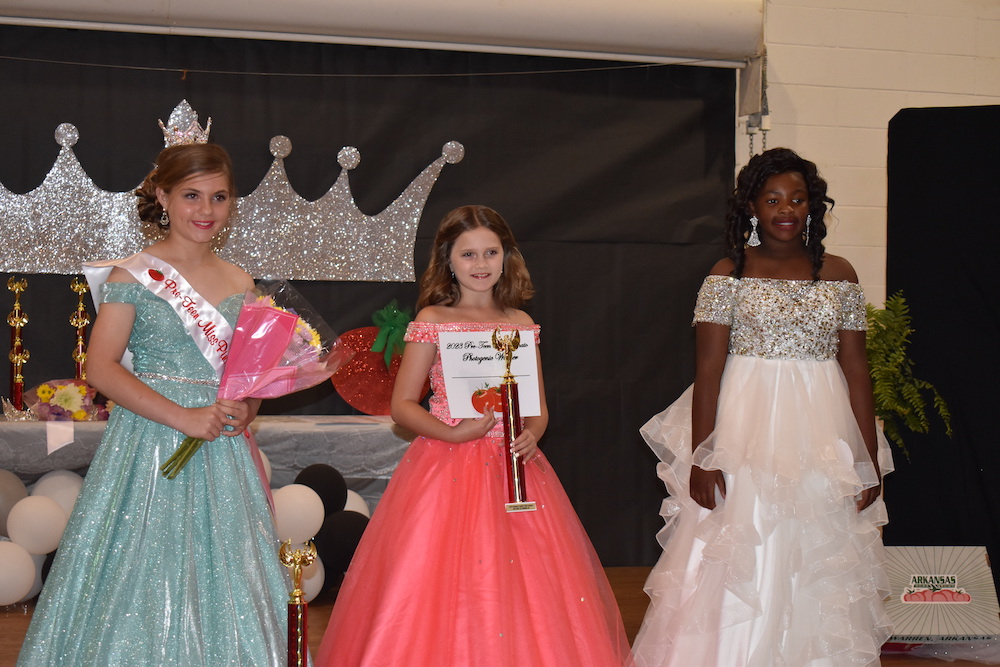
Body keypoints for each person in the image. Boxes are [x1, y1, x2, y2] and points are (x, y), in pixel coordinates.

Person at [315, 205, 634, 666]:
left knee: (528, 585)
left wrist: (534, 434)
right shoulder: (434, 317)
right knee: (443, 580)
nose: (481, 264)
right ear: (447, 260)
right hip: (445, 466)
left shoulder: (520, 323)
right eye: (468, 254)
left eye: (491, 252)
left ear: (507, 256)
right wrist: (453, 432)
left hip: (517, 472)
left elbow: (537, 407)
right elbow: (403, 407)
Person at [17, 139, 289, 665]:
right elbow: (100, 367)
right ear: (162, 196)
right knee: (140, 566)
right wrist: (183, 416)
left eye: (219, 197)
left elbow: (248, 375)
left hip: (221, 446)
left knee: (223, 571)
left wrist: (246, 407)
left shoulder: (241, 281)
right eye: (191, 195)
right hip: (149, 443)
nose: (205, 210)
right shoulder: (132, 274)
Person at [632, 148, 894, 666]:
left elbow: (857, 373)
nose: (786, 209)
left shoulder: (839, 273)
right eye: (773, 198)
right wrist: (704, 456)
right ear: (751, 206)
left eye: (798, 199)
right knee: (743, 545)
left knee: (816, 548)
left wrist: (866, 460)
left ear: (812, 207)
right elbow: (707, 372)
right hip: (744, 432)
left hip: (821, 433)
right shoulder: (727, 273)